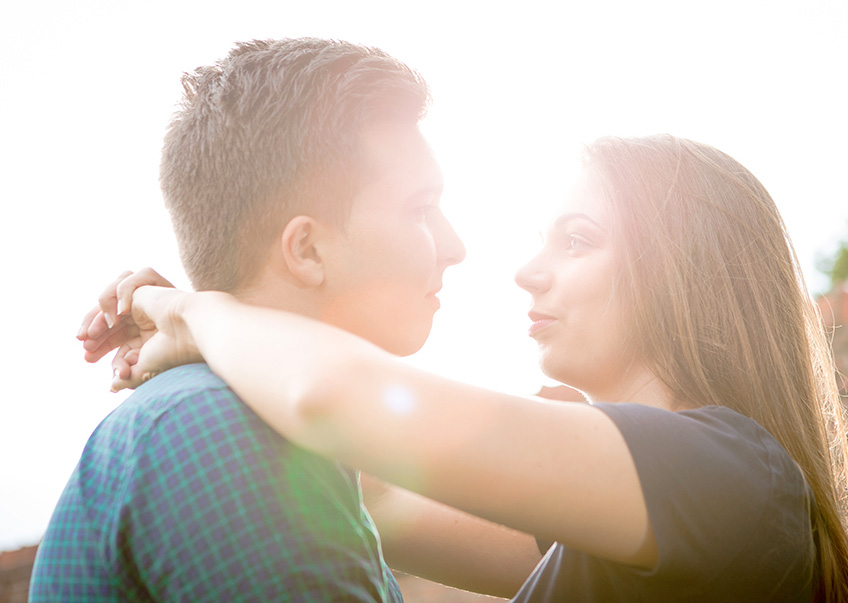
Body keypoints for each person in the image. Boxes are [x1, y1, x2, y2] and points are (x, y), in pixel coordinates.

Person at [82, 134, 848, 602]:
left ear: (686, 270)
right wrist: (220, 348)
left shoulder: (727, 478)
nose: (526, 270)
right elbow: (373, 495)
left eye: (575, 239)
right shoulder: (626, 524)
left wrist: (200, 314)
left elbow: (333, 398)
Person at [31, 37, 543, 602]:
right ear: (307, 250)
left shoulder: (265, 432)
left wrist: (203, 325)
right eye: (420, 209)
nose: (455, 246)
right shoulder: (223, 434)